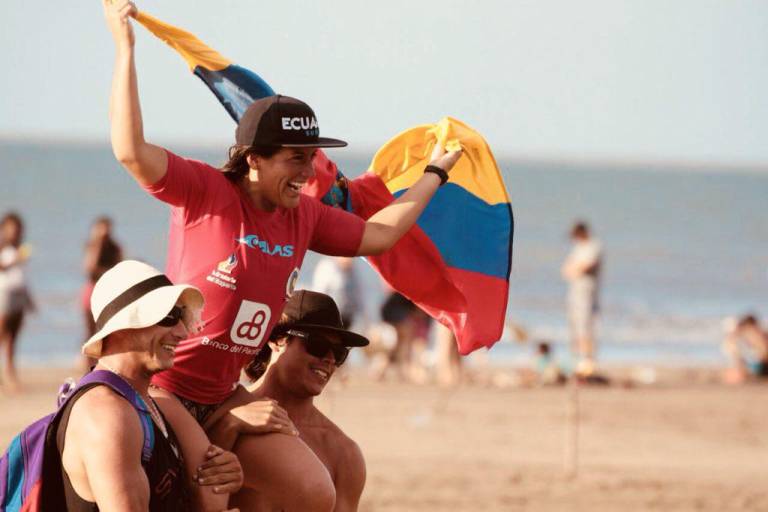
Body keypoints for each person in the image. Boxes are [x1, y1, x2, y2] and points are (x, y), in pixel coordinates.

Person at [103, 1, 462, 509]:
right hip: (166, 385)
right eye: (296, 158)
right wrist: (125, 48)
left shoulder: (306, 216)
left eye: (311, 157)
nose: (307, 169)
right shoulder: (205, 190)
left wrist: (435, 175)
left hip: (224, 393)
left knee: (315, 491)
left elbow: (379, 236)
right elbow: (130, 151)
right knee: (208, 491)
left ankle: (226, 425)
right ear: (255, 159)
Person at [63, 259, 243, 511]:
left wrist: (227, 469)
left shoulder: (155, 402)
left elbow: (209, 494)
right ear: (122, 326)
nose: (182, 332)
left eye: (180, 316)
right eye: (168, 316)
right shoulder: (106, 414)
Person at [206, 290, 367, 511]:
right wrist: (229, 425)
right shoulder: (223, 409)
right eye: (317, 345)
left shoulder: (343, 453)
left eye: (339, 353)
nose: (329, 359)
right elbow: (193, 489)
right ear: (278, 340)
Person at [560, 221, 603, 378]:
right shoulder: (578, 248)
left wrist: (575, 269)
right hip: (574, 294)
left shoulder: (594, 246)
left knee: (586, 328)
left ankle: (587, 363)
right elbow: (566, 270)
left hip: (587, 294)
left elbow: (586, 266)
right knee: (575, 328)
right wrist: (574, 269)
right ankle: (577, 361)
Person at [81, 215, 123, 368]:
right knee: (89, 332)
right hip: (92, 290)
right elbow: (89, 269)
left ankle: (103, 365)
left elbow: (120, 269)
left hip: (109, 292)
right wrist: (98, 244)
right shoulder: (92, 247)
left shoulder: (115, 248)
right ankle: (88, 367)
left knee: (108, 333)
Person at [0, 212, 34, 393]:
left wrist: (30, 300)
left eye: (17, 228)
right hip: (5, 296)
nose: (14, 232)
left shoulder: (19, 249)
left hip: (19, 295)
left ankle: (10, 374)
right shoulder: (3, 249)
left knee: (13, 339)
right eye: (10, 228)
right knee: (2, 337)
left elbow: (22, 277)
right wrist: (14, 260)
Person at [312, 257, 362, 329]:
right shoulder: (327, 267)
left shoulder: (353, 271)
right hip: (329, 318)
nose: (349, 260)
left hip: (347, 318)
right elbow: (319, 294)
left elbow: (359, 296)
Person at [721, 314, 768, 384]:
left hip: (761, 366)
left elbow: (763, 355)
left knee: (733, 374)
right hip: (759, 365)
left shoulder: (756, 335)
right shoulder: (758, 334)